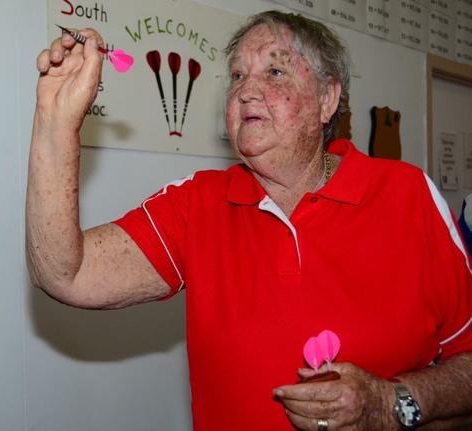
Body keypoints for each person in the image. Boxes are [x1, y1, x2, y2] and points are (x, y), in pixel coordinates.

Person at [26, 10, 472, 431]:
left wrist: (388, 405)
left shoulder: (407, 194)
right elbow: (68, 274)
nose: (245, 91)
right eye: (237, 76)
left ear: (327, 100)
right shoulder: (198, 204)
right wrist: (56, 120)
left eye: (274, 72)